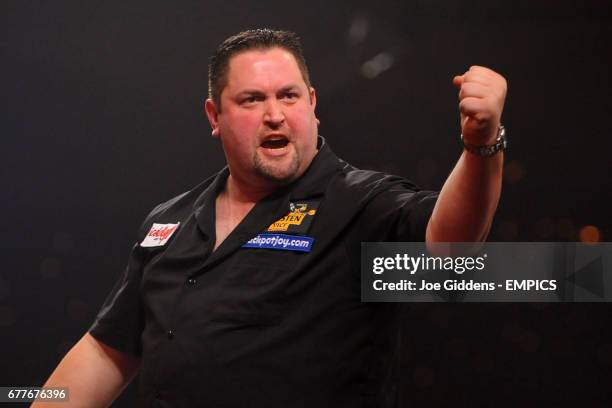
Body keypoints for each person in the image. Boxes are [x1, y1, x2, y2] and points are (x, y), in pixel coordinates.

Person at [34, 29, 507, 407]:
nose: (275, 115)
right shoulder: (170, 221)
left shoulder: (359, 203)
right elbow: (107, 351)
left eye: (289, 96)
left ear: (313, 105)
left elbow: (451, 250)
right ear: (214, 115)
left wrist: (482, 146)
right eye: (252, 100)